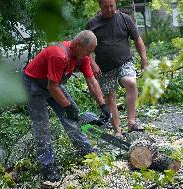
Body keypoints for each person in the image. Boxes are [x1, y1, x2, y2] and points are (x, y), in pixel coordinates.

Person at [23, 30, 110, 184]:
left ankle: (86, 152)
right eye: (88, 51)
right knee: (43, 126)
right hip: (35, 85)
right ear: (78, 45)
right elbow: (52, 87)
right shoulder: (59, 54)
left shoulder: (82, 57)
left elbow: (91, 81)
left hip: (53, 84)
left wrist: (102, 105)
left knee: (73, 118)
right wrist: (68, 107)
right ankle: (47, 166)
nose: (89, 55)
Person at [86, 0, 148, 137]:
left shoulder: (125, 19)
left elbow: (137, 39)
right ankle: (117, 131)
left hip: (124, 62)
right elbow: (85, 49)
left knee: (131, 82)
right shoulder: (92, 23)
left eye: (112, 6)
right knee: (110, 98)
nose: (109, 9)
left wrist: (144, 58)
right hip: (104, 68)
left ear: (116, 4)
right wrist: (93, 64)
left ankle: (131, 122)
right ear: (99, 6)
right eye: (106, 7)